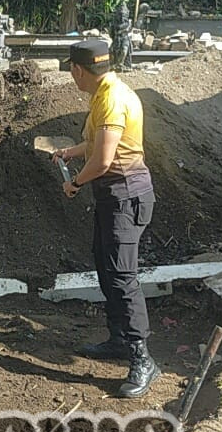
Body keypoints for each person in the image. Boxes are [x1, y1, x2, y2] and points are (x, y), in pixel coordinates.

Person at [51, 40, 158, 398]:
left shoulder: (112, 98)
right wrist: (69, 151)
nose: (71, 75)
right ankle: (118, 339)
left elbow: (104, 161)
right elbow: (96, 144)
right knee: (106, 267)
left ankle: (143, 359)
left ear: (79, 70)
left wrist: (75, 183)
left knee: (123, 277)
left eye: (71, 69)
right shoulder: (106, 91)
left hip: (125, 195)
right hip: (114, 196)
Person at [109, 2, 133, 71]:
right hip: (117, 39)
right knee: (112, 50)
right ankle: (115, 64)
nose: (122, 16)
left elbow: (128, 30)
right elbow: (111, 33)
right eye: (120, 14)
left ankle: (121, 64)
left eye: (123, 15)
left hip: (125, 39)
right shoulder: (114, 24)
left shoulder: (128, 23)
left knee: (124, 51)